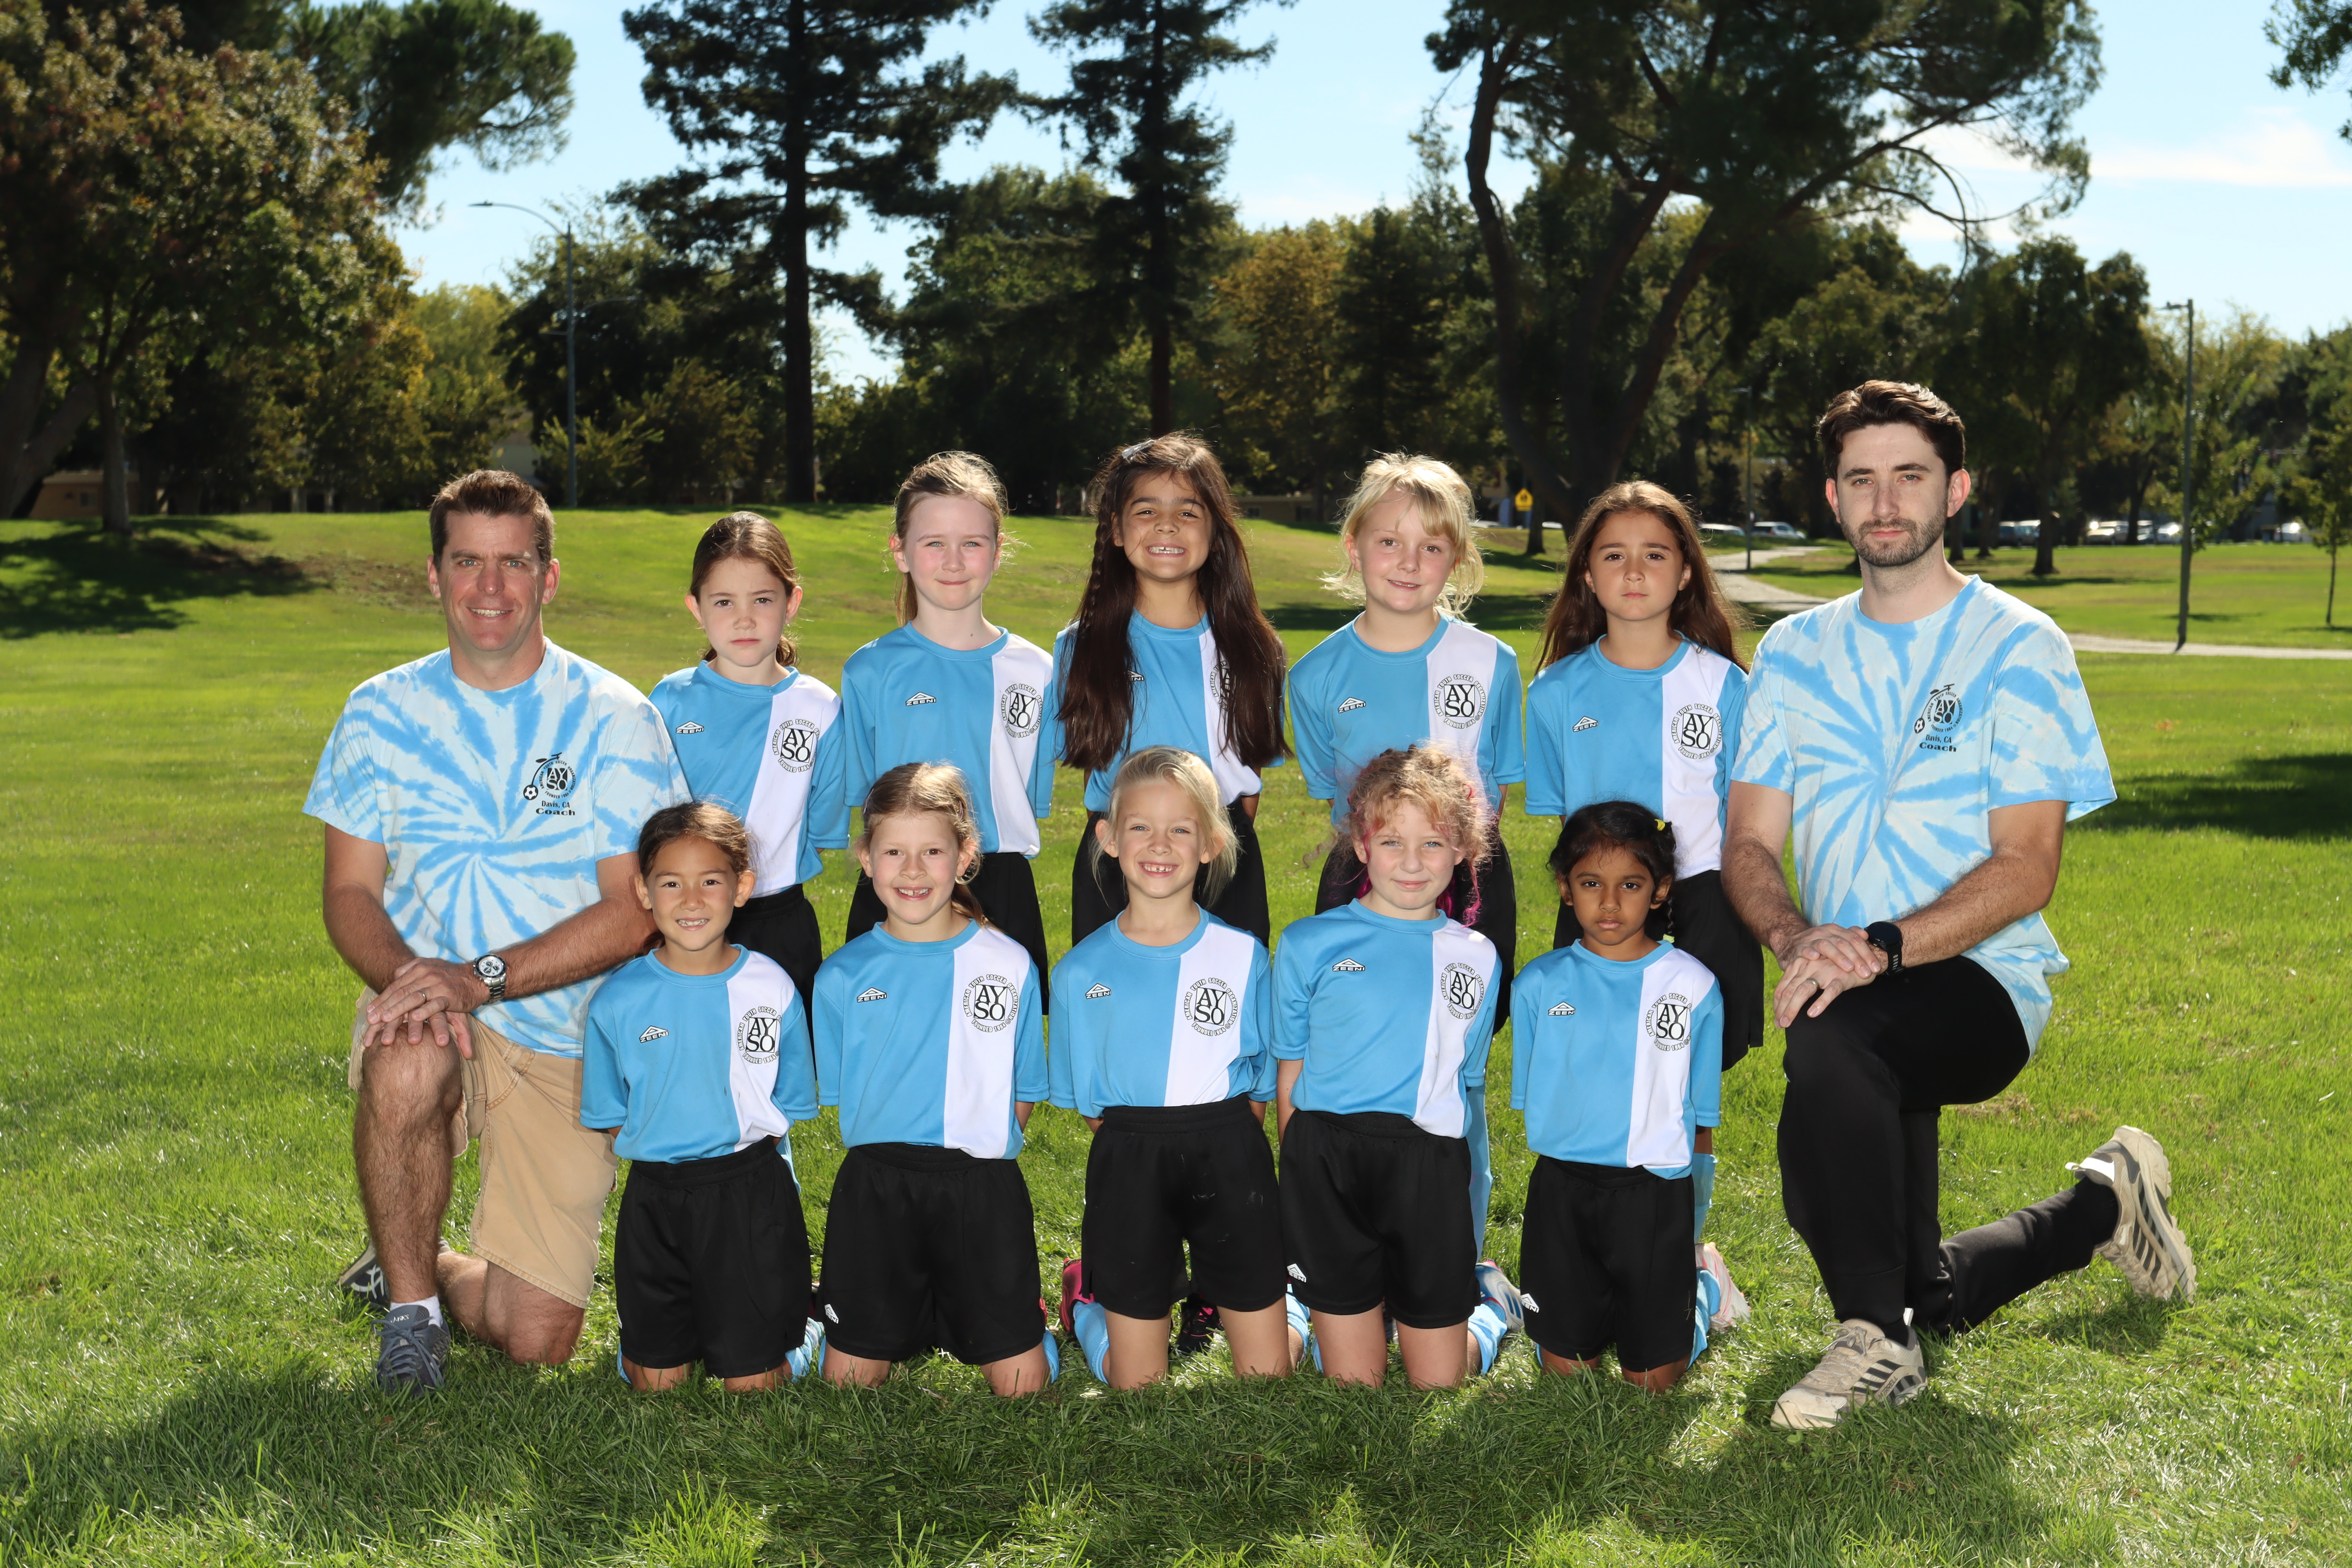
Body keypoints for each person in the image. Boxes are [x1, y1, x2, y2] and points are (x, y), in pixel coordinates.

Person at [1720, 380, 2195, 1431]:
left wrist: (1880, 948)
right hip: (1850, 977)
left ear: (1957, 490)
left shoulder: (2019, 645)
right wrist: (1798, 937)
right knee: (1925, 1288)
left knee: (1829, 1042)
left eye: (1910, 476)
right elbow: (1748, 841)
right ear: (1833, 498)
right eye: (1861, 479)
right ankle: (2106, 1202)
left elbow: (2026, 865)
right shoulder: (1794, 654)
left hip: (1978, 983)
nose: (1885, 501)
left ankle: (1871, 1343)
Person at [309, 470, 688, 1391]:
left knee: (537, 1337)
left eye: (513, 563)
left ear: (548, 577)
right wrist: (417, 985)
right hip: (438, 1009)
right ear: (434, 575)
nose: (490, 586)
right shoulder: (378, 712)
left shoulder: (615, 716)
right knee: (407, 1054)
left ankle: (414, 1266)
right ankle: (413, 1321)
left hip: (564, 1032)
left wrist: (476, 978)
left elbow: (635, 909)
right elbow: (350, 892)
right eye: (467, 562)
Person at [1522, 482, 1759, 1257]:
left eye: (1655, 555)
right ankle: (1596, 1239)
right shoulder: (1556, 692)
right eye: (1614, 555)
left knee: (1688, 1085)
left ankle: (1682, 1254)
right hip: (1600, 905)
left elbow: (1744, 813)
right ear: (1587, 575)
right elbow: (1562, 818)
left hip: (1703, 901)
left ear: (1685, 573)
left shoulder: (1724, 685)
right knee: (1598, 1067)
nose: (1634, 572)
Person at [1271, 745, 1519, 1389]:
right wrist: (1298, 1174)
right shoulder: (1308, 944)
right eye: (1392, 842)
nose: (1412, 862)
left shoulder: (1478, 957)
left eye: (1432, 843)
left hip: (1427, 1169)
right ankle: (1322, 1306)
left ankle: (1491, 1310)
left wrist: (1467, 1194)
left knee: (1437, 1381)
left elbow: (1466, 1086)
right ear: (1361, 845)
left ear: (1462, 849)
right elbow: (1290, 1070)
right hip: (1328, 1161)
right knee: (1355, 1381)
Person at [810, 763, 1059, 1396]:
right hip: (876, 1191)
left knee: (1023, 1386)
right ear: (866, 858)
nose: (913, 870)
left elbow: (1025, 1089)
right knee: (849, 1384)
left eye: (932, 851)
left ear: (965, 856)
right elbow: (844, 1092)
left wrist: (980, 1148)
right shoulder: (842, 975)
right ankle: (839, 1324)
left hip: (981, 1190)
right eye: (894, 851)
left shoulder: (1008, 963)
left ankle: (1052, 1316)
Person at [1048, 748, 1290, 1388]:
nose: (1160, 844)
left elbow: (1259, 1087)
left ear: (1211, 843)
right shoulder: (1078, 973)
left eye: (1181, 828)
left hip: (1231, 1154)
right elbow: (1093, 1110)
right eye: (1141, 827)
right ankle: (1086, 1306)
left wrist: (1222, 1141)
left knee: (1268, 1376)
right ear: (1108, 838)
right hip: (1130, 1162)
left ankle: (1286, 1305)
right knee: (1138, 1386)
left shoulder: (1244, 957)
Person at [581, 803, 823, 1392]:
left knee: (752, 1385)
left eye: (710, 881)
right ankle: (666, 1333)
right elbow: (610, 1114)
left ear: (742, 887)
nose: (691, 899)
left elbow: (788, 1099)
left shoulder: (771, 986)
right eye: (671, 883)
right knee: (656, 1383)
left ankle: (804, 1331)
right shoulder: (617, 1000)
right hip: (656, 1196)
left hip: (748, 1192)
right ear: (644, 891)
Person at [1288, 454, 1524, 1018]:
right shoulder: (1313, 676)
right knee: (1355, 1021)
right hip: (1361, 873)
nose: (1410, 562)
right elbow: (1331, 792)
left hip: (1468, 874)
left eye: (1432, 547)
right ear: (1354, 547)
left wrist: (1450, 853)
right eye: (1390, 542)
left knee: (1465, 1029)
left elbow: (1497, 786)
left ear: (1456, 558)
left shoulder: (1493, 662)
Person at [1043, 434, 1288, 950]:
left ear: (1216, 531)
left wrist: (1211, 842)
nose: (1167, 525)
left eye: (1188, 512)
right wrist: (1127, 835)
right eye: (1147, 510)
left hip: (1222, 852)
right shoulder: (1081, 648)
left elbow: (1249, 780)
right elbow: (1096, 764)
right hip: (1119, 852)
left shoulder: (1254, 648)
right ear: (1116, 528)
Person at [1509, 804, 1723, 1393]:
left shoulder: (1694, 985)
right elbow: (1536, 1097)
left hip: (1653, 1192)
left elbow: (1702, 1119)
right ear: (1565, 888)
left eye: (1630, 884)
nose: (1609, 902)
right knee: (1566, 1374)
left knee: (1651, 1382)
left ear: (1660, 890)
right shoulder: (1537, 985)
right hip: (1563, 1187)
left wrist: (1693, 1213)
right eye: (1590, 884)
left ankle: (1704, 1291)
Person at [838, 454, 1055, 991]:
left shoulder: (1036, 670)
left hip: (1001, 881)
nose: (954, 561)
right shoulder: (870, 670)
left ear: (998, 552)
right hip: (901, 878)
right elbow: (867, 797)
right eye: (934, 542)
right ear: (901, 551)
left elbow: (1030, 797)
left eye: (972, 543)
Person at [650, 513, 847, 1023]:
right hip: (686, 916)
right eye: (724, 602)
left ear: (791, 602)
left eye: (762, 600)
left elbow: (823, 828)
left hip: (779, 919)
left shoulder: (820, 710)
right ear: (696, 608)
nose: (744, 619)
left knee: (782, 1058)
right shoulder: (669, 701)